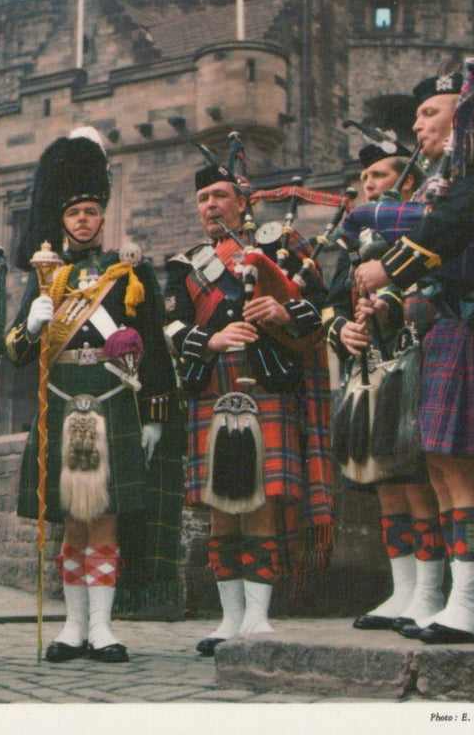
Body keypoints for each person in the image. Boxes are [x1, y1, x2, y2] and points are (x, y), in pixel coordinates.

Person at [353, 70, 474, 644]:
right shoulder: (455, 171)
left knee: (459, 461)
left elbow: (451, 229)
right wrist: (387, 299)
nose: (418, 126)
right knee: (439, 463)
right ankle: (468, 606)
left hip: (472, 325)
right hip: (444, 326)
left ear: (459, 112)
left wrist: (389, 270)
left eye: (428, 114)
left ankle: (469, 603)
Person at [6, 129, 183, 663]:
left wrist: (154, 414)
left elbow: (154, 349)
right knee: (69, 518)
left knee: (104, 516)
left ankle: (102, 627)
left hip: (112, 399)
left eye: (90, 211)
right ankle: (71, 626)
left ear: (103, 216)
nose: (83, 219)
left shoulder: (130, 272)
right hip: (61, 398)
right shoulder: (45, 275)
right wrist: (33, 324)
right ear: (61, 219)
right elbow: (12, 350)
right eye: (74, 211)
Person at [163, 165, 334, 656]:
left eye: (219, 196)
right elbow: (170, 328)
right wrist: (211, 339)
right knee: (220, 506)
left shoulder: (281, 246)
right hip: (209, 388)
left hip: (267, 381)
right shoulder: (186, 264)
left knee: (260, 499)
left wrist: (283, 311)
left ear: (243, 201)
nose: (210, 206)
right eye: (202, 199)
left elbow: (322, 306)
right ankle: (228, 618)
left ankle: (258, 616)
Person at [322, 141, 445, 633]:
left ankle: (432, 594)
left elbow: (433, 288)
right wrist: (341, 330)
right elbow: (332, 301)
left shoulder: (423, 224)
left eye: (377, 176)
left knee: (416, 481)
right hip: (369, 365)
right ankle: (403, 591)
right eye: (364, 178)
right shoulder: (355, 240)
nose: (367, 185)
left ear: (407, 181)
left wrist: (393, 307)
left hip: (413, 359)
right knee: (385, 483)